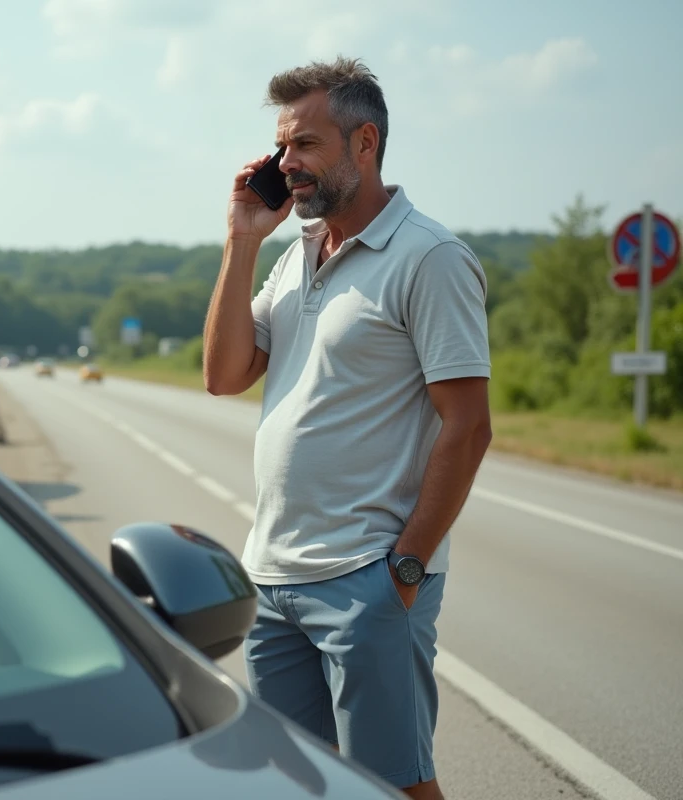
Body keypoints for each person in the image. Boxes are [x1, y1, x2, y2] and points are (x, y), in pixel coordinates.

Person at [202, 57, 493, 799]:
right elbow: (225, 373)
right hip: (275, 581)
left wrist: (404, 571)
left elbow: (467, 427)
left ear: (365, 144)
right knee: (297, 785)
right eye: (281, 147)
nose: (284, 165)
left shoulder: (430, 257)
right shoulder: (298, 253)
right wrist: (242, 241)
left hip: (365, 581)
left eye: (305, 145)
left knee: (392, 786)